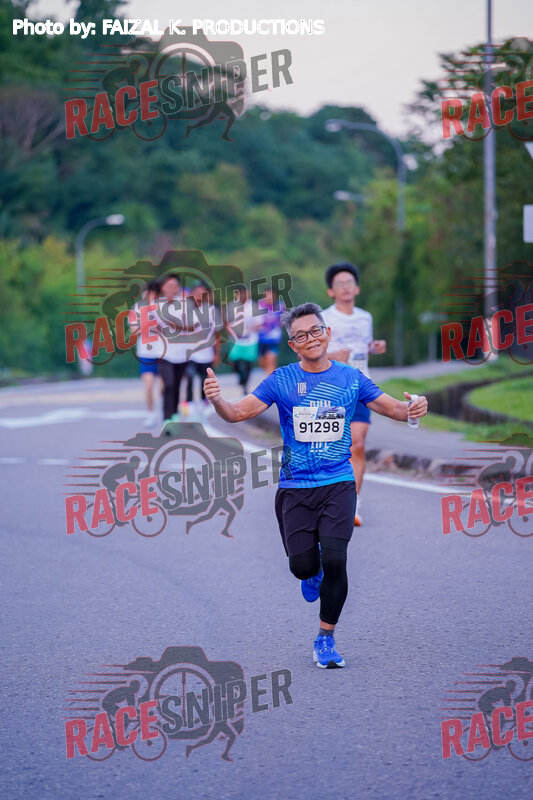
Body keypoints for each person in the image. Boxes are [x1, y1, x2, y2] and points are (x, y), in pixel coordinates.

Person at [203, 302, 427, 669]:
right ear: (293, 345)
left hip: (338, 482)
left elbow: (394, 409)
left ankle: (325, 638)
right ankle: (312, 572)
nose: (310, 339)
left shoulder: (351, 377)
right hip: (295, 488)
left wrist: (415, 408)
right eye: (301, 335)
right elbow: (237, 412)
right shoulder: (281, 380)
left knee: (337, 560)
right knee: (303, 567)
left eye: (315, 331)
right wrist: (217, 400)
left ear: (327, 333)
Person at [322, 262, 386, 526]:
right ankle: (326, 498)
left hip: (360, 386)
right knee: (330, 447)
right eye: (340, 283)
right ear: (331, 291)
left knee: (357, 445)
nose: (346, 287)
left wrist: (374, 347)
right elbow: (311, 354)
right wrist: (333, 355)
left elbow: (363, 347)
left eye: (350, 282)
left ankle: (353, 505)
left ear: (357, 288)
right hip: (331, 389)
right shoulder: (323, 318)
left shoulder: (365, 317)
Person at [184, 281, 223, 414]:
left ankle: (202, 401)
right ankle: (189, 403)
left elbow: (217, 333)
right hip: (189, 352)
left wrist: (217, 353)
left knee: (204, 379)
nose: (199, 295)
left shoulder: (212, 310)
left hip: (206, 351)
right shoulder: (186, 310)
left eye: (202, 293)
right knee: (189, 377)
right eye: (196, 292)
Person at [156, 274, 190, 423]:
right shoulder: (156, 305)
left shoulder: (184, 304)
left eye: (173, 286)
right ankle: (167, 417)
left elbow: (189, 325)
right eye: (168, 286)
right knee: (168, 384)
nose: (170, 289)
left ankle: (175, 412)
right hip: (163, 352)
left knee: (176, 384)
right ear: (163, 288)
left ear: (178, 288)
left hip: (181, 352)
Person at [130, 280, 162, 427]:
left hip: (163, 352)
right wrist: (149, 325)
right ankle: (150, 414)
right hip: (145, 352)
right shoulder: (137, 308)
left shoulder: (163, 307)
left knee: (164, 386)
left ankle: (165, 411)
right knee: (148, 385)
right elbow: (134, 331)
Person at [228, 288, 261, 396]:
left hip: (250, 339)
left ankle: (245, 384)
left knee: (248, 363)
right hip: (236, 339)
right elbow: (227, 322)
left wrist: (250, 328)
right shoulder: (231, 306)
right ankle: (241, 377)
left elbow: (259, 323)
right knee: (235, 361)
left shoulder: (254, 306)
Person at [258, 287, 285, 376]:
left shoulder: (280, 306)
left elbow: (284, 320)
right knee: (262, 362)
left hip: (274, 338)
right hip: (261, 338)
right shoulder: (259, 306)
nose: (269, 297)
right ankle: (271, 375)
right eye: (266, 295)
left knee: (271, 360)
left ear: (275, 295)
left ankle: (271, 380)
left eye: (271, 295)